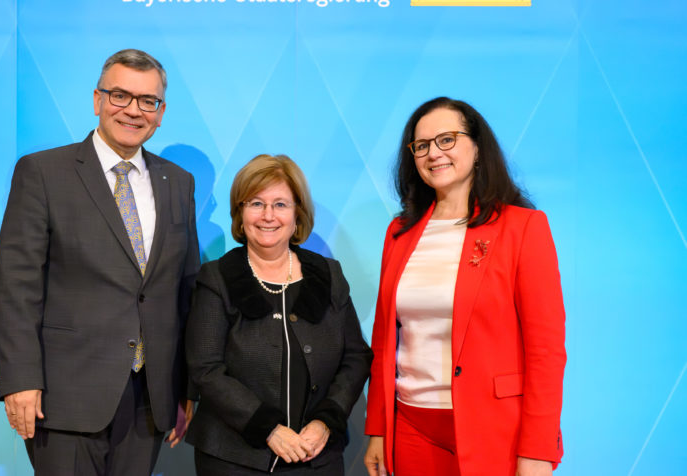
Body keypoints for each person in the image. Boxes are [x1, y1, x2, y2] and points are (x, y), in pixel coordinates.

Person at [0, 48, 199, 475]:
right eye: (120, 95)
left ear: (161, 113)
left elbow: (186, 291)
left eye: (148, 101)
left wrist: (186, 387)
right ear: (97, 100)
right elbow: (16, 286)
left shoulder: (177, 182)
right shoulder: (44, 172)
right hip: (64, 397)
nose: (133, 111)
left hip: (150, 398)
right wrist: (20, 380)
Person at [363, 97, 566, 476]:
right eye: (421, 145)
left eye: (447, 139)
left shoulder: (522, 227)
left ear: (476, 148)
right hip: (411, 426)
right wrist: (377, 427)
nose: (433, 153)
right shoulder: (399, 232)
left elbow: (546, 350)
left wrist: (538, 449)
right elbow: (384, 340)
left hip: (495, 428)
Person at [185, 154, 372, 475]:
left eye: (280, 205)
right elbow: (206, 369)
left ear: (297, 214)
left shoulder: (328, 274)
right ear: (240, 213)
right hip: (233, 458)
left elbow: (355, 357)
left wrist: (325, 422)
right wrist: (269, 429)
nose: (268, 215)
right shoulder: (217, 277)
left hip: (316, 455)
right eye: (256, 203)